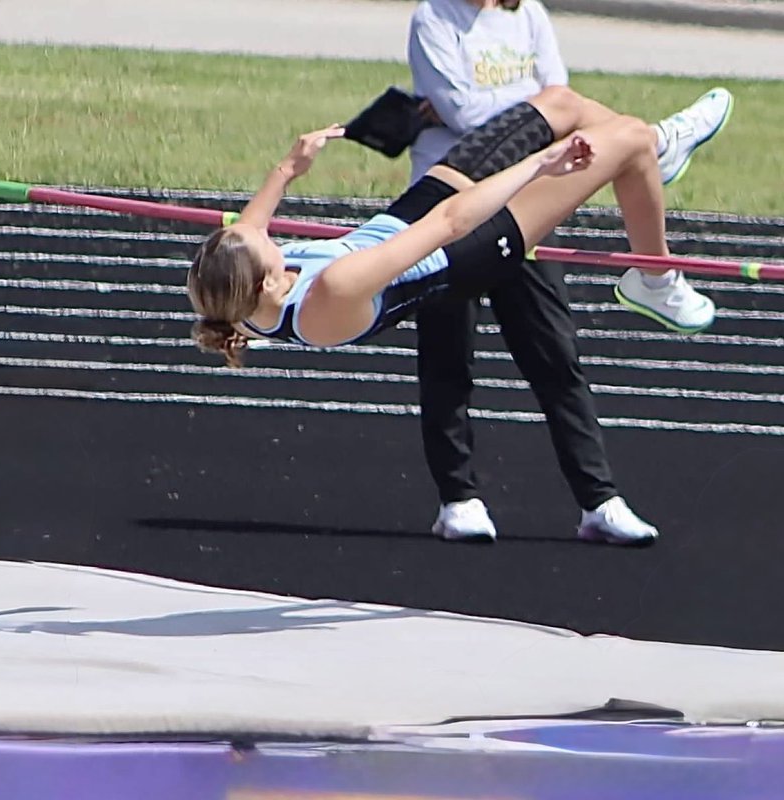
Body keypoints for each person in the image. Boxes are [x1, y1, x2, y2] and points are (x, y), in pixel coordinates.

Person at [186, 85, 723, 543]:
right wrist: (538, 165)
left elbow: (249, 230)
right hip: (465, 251)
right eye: (258, 242)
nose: (260, 230)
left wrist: (288, 167)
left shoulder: (239, 296)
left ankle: (656, 154)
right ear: (268, 281)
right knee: (627, 140)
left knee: (560, 103)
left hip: (407, 217)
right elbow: (450, 222)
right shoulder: (332, 292)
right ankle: (656, 278)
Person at [405, 0, 731, 544]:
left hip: (528, 201)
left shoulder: (527, 12)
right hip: (449, 206)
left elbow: (557, 100)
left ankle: (598, 501)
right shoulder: (434, 18)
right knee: (448, 357)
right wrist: (541, 108)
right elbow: (468, 115)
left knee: (556, 356)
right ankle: (458, 498)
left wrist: (539, 110)